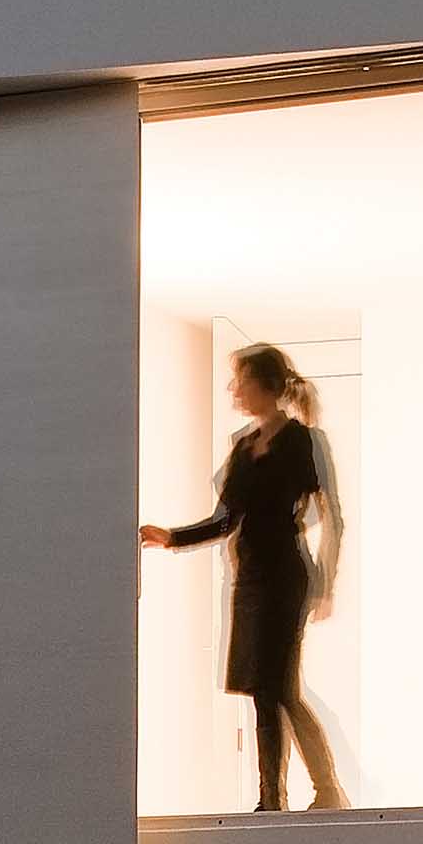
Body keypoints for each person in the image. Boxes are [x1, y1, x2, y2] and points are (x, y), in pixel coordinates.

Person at [141, 342, 351, 811]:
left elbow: (331, 513)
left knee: (277, 687)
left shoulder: (300, 441)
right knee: (265, 691)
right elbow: (225, 520)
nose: (235, 389)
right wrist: (171, 537)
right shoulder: (242, 449)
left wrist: (327, 583)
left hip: (284, 577)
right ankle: (279, 796)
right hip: (250, 580)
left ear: (266, 385)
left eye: (242, 380)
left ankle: (312, 792)